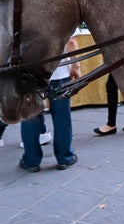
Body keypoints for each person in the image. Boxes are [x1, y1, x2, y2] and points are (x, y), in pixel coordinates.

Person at [18, 33, 81, 172]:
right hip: (58, 71)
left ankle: (31, 160)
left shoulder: (21, 11)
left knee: (30, 115)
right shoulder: (62, 10)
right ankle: (64, 157)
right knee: (61, 116)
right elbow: (70, 41)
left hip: (29, 72)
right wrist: (76, 65)